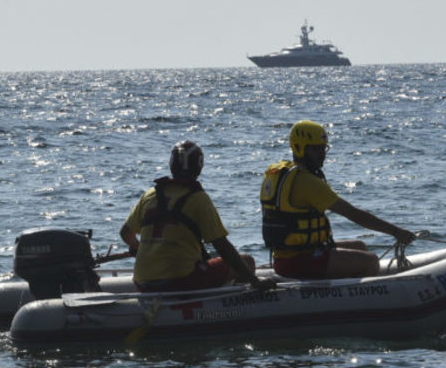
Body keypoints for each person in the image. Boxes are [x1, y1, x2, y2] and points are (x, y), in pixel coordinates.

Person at [261, 120, 416, 279]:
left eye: (323, 148)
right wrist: (396, 232)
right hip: (298, 261)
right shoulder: (307, 182)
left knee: (360, 246)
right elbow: (353, 214)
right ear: (299, 148)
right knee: (370, 262)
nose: (322, 154)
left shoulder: (280, 174)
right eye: (316, 149)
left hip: (286, 256)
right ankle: (352, 300)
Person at [121, 140, 266, 292]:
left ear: (172, 164)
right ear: (199, 167)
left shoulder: (150, 195)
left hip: (142, 280)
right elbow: (221, 245)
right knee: (246, 262)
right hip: (182, 280)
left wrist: (137, 248)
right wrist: (253, 280)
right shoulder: (198, 198)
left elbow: (125, 233)